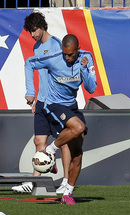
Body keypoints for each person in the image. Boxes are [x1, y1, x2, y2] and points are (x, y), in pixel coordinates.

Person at [25, 34, 97, 204]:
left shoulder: (86, 57)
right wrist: (30, 91)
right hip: (54, 105)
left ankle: (68, 193)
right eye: (65, 54)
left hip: (71, 106)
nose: (67, 58)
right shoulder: (53, 59)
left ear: (78, 50)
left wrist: (85, 70)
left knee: (78, 154)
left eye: (71, 54)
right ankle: (49, 150)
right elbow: (29, 63)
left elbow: (91, 88)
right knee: (78, 128)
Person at [12, 11, 71, 194]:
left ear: (42, 27)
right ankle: (34, 182)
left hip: (56, 103)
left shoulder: (56, 46)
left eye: (34, 30)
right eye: (30, 31)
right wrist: (36, 97)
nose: (32, 34)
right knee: (39, 141)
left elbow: (60, 75)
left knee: (64, 142)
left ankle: (67, 182)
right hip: (42, 101)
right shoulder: (37, 47)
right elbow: (42, 76)